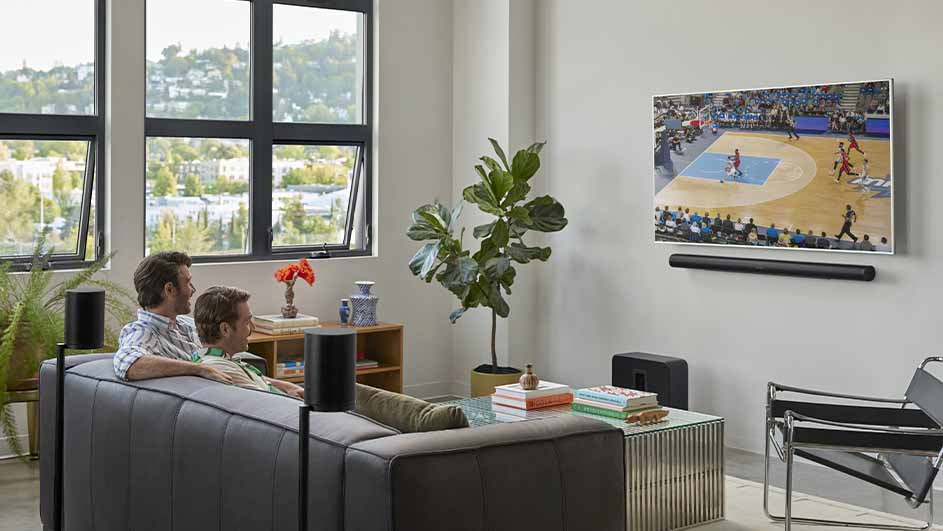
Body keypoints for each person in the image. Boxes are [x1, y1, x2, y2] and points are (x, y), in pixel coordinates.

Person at [113, 252, 232, 383]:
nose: (193, 290)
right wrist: (200, 369)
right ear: (169, 289)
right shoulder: (143, 332)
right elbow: (128, 363)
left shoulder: (187, 323)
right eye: (188, 283)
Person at [192, 286, 304, 397]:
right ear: (225, 329)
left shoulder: (216, 359)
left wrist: (288, 386)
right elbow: (267, 404)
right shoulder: (221, 368)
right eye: (246, 322)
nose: (253, 328)